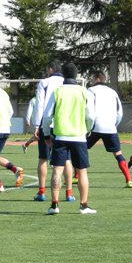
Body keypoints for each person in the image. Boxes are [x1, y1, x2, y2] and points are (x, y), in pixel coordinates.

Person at [40, 63, 96, 214]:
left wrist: (46, 134)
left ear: (63, 75)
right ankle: (84, 205)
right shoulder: (85, 92)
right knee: (82, 171)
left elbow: (46, 116)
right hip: (79, 136)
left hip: (61, 136)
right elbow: (90, 115)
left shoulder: (57, 91)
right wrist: (88, 129)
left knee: (57, 170)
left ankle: (54, 205)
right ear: (77, 75)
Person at [31, 61, 74, 202]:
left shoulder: (44, 82)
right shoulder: (67, 82)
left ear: (50, 69)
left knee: (43, 158)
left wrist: (37, 125)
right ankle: (68, 193)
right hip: (63, 125)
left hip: (47, 123)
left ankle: (41, 192)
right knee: (66, 159)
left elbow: (39, 104)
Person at [86, 72, 132, 188]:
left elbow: (88, 111)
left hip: (95, 127)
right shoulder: (113, 92)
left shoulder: (91, 90)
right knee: (118, 154)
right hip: (110, 128)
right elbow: (119, 113)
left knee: (80, 149)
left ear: (97, 78)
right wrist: (114, 125)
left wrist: (88, 127)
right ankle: (129, 180)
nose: (91, 81)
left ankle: (76, 177)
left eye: (92, 79)